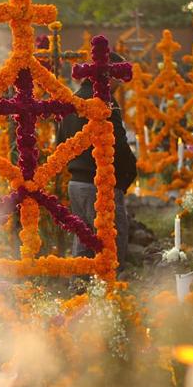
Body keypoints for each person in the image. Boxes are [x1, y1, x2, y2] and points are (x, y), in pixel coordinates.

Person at [57, 70, 138, 269]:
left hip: (76, 184)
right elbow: (117, 143)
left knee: (83, 243)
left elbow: (60, 143)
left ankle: (80, 293)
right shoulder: (105, 102)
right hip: (101, 184)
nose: (119, 87)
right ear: (108, 77)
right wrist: (128, 173)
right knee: (111, 244)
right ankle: (108, 293)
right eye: (118, 81)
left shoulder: (72, 101)